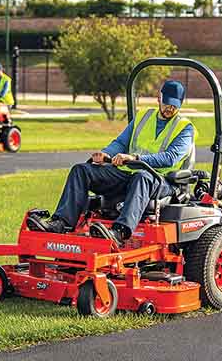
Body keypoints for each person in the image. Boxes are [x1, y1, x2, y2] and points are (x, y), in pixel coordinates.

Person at [43, 80, 198, 246]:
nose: (170, 109)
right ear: (159, 98)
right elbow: (121, 142)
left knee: (141, 176)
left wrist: (135, 158)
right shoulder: (143, 117)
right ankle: (62, 222)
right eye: (167, 103)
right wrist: (106, 153)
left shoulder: (184, 128)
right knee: (81, 170)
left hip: (162, 180)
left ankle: (119, 231)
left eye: (175, 105)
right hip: (129, 173)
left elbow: (170, 158)